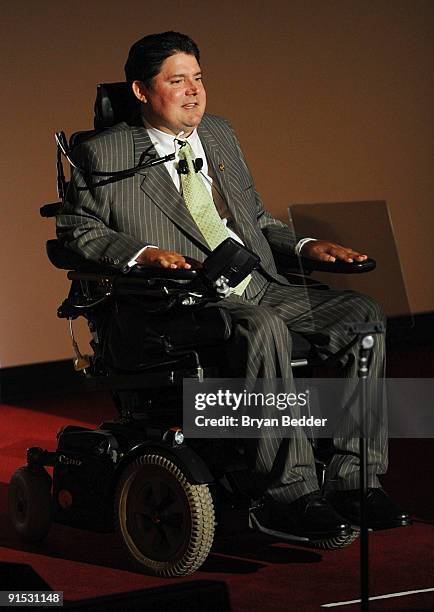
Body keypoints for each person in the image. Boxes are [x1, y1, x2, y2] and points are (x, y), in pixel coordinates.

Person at [57, 31, 410, 540]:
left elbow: (255, 220)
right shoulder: (102, 152)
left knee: (363, 316)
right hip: (179, 301)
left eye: (198, 79)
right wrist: (140, 253)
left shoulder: (219, 134)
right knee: (261, 327)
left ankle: (356, 476)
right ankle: (290, 492)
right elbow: (78, 230)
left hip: (256, 282)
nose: (194, 91)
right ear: (140, 91)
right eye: (177, 81)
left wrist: (307, 245)